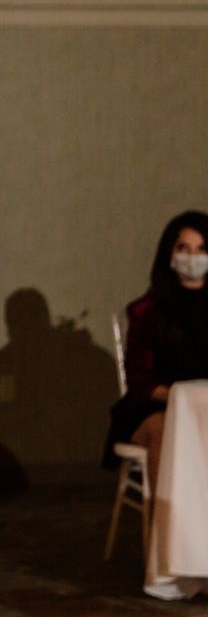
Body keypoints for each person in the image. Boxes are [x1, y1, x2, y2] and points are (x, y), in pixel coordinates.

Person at [107, 210, 208, 494]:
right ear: (170, 253)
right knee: (168, 431)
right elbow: (139, 379)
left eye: (201, 249)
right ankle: (164, 531)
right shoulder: (146, 311)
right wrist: (179, 395)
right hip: (158, 406)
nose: (193, 257)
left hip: (206, 406)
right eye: (184, 248)